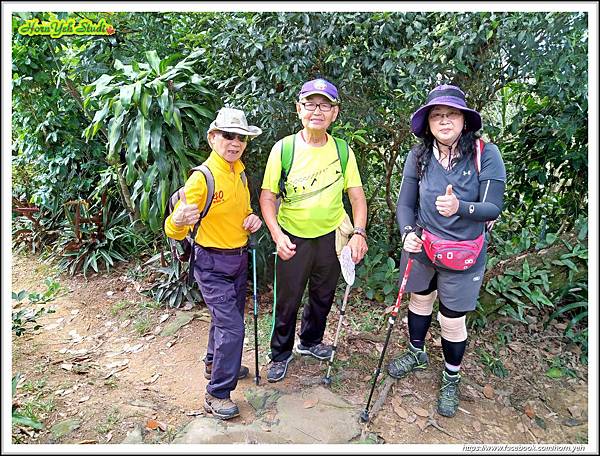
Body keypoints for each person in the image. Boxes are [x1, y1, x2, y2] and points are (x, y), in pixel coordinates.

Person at [389, 84, 506, 417]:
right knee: (420, 300)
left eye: (451, 114)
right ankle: (416, 352)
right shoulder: (419, 155)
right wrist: (408, 232)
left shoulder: (485, 153)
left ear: (464, 121)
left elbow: (493, 208)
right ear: (427, 123)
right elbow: (405, 203)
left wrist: (459, 207)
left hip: (463, 252)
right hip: (423, 245)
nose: (444, 121)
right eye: (437, 115)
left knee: (451, 321)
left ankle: (451, 377)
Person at [260, 78, 368, 383]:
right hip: (292, 236)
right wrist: (277, 235)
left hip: (332, 236)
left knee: (323, 295)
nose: (316, 111)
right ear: (299, 109)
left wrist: (358, 232)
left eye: (324, 105)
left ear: (335, 113)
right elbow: (267, 197)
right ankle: (280, 353)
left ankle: (309, 341)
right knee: (288, 299)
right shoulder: (284, 149)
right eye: (310, 104)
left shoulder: (343, 151)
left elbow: (357, 196)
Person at [164, 108, 263, 420]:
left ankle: (214, 362)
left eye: (241, 137)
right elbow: (174, 227)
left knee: (227, 319)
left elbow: (244, 210)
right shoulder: (202, 179)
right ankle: (217, 392)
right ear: (213, 137)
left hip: (238, 258)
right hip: (210, 262)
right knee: (233, 328)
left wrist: (251, 219)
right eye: (228, 135)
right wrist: (176, 220)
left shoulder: (240, 173)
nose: (235, 143)